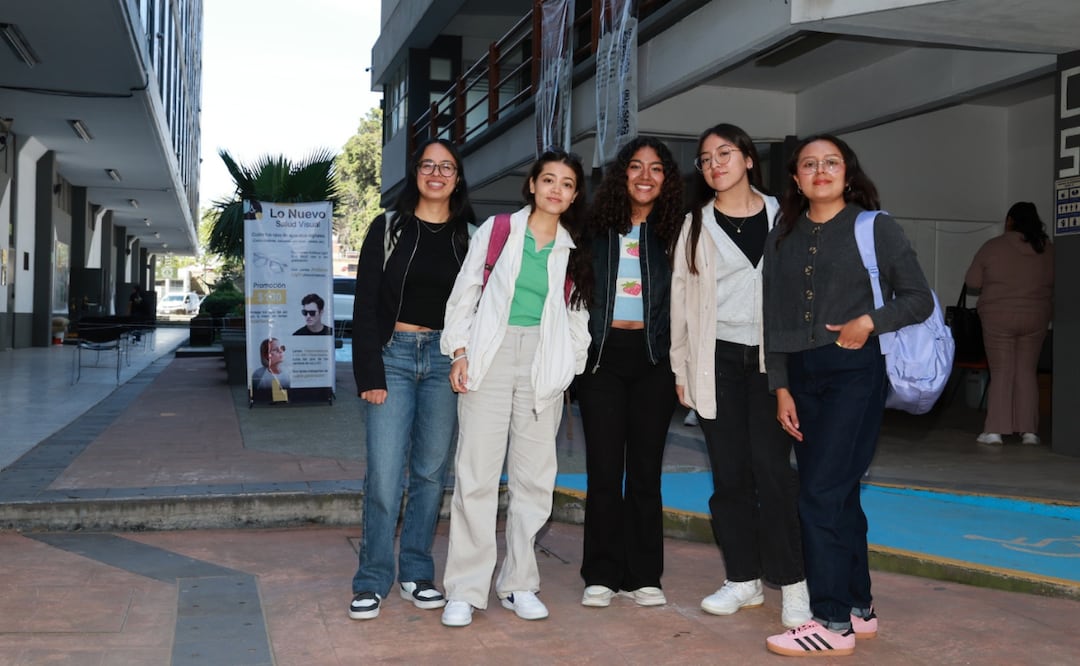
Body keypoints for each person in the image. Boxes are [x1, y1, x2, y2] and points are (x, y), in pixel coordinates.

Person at [762, 134, 933, 657]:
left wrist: (869, 321)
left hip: (855, 375)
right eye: (808, 164)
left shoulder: (874, 227)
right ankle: (859, 608)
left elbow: (918, 298)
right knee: (837, 494)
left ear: (848, 172)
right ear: (795, 178)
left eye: (830, 162)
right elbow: (774, 317)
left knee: (818, 495)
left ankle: (830, 622)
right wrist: (780, 386)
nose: (819, 170)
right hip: (803, 377)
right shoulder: (782, 233)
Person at [439, 150, 592, 627]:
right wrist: (460, 353)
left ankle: (519, 583)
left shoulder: (574, 248)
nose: (556, 190)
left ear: (574, 195)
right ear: (531, 184)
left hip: (543, 364)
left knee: (534, 480)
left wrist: (569, 366)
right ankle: (465, 589)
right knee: (476, 476)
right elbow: (464, 295)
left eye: (566, 184)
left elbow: (578, 316)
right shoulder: (499, 231)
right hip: (491, 353)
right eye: (548, 180)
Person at [670, 123, 811, 629]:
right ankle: (744, 579)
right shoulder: (695, 226)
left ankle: (793, 584)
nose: (714, 165)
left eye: (724, 154)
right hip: (717, 361)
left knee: (773, 473)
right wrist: (681, 369)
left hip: (774, 363)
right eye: (705, 159)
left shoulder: (786, 216)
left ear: (749, 159)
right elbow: (681, 304)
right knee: (728, 476)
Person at [348, 138, 475, 621]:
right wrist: (370, 373)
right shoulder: (388, 229)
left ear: (458, 177)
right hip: (393, 358)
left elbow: (481, 305)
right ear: (416, 174)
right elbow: (364, 305)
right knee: (383, 475)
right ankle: (372, 579)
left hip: (445, 360)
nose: (437, 173)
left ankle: (417, 573)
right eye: (428, 165)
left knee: (429, 474)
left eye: (447, 166)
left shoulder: (471, 236)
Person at [577, 137, 682, 609]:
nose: (645, 176)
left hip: (654, 361)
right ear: (621, 175)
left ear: (666, 179)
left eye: (656, 168)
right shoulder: (593, 229)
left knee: (644, 471)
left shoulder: (677, 233)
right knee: (603, 469)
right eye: (636, 167)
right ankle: (600, 572)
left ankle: (644, 575)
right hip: (601, 361)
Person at [964, 201, 1054, 446]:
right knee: (1026, 371)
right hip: (1036, 317)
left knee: (1002, 371)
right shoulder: (1048, 249)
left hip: (998, 317)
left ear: (1010, 221)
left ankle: (995, 431)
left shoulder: (993, 246)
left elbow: (973, 281)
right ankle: (1029, 432)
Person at [251, 337, 289, 403]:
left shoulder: (286, 374)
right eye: (275, 349)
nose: (281, 351)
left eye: (281, 348)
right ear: (266, 355)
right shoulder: (258, 375)